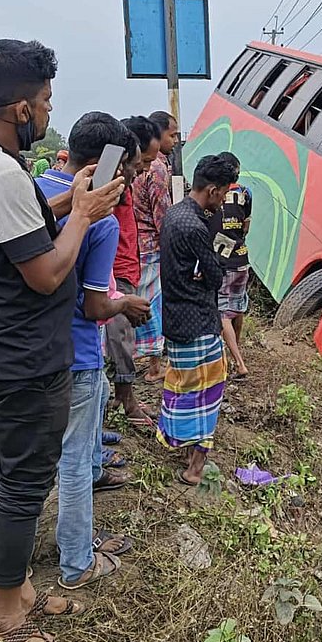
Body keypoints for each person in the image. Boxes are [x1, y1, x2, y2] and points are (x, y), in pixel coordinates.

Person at [0, 38, 123, 642]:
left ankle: (16, 586)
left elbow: (15, 222)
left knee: (4, 476)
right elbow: (45, 272)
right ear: (20, 107)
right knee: (21, 487)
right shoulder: (2, 174)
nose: (48, 112)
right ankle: (1, 615)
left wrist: (70, 200)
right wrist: (84, 216)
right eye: (44, 100)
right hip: (22, 363)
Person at [36, 112, 150, 589]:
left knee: (19, 462)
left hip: (26, 352)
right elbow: (95, 304)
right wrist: (128, 304)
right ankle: (77, 561)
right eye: (127, 169)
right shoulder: (98, 219)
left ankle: (16, 561)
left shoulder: (33, 192)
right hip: (77, 355)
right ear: (110, 166)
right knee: (77, 458)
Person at [157, 154, 233, 485]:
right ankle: (195, 468)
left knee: (183, 388)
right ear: (214, 190)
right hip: (199, 320)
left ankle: (186, 451)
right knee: (208, 392)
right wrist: (211, 269)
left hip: (174, 316)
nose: (224, 201)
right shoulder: (196, 227)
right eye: (224, 193)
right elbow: (215, 277)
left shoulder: (174, 214)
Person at [106, 130, 154, 429]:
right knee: (120, 337)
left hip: (128, 267)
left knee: (125, 337)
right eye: (138, 163)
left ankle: (123, 395)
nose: (142, 170)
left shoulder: (126, 188)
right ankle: (125, 399)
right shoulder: (107, 190)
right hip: (116, 272)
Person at [128, 114, 169, 383]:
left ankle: (131, 358)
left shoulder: (132, 169)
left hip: (134, 246)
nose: (175, 141)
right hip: (151, 247)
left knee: (134, 301)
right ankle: (154, 365)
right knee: (151, 304)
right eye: (173, 135)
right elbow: (162, 215)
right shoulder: (157, 169)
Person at [210, 152, 252, 380]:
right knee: (238, 307)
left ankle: (238, 362)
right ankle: (236, 347)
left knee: (222, 312)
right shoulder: (246, 192)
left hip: (222, 260)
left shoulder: (214, 192)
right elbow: (246, 226)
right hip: (242, 257)